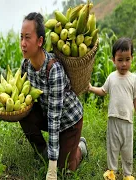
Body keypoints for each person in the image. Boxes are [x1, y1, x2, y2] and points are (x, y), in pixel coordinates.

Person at [19, 12, 88, 179]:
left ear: (40, 41)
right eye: (21, 37)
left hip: (68, 121)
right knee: (24, 113)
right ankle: (43, 153)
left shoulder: (54, 69)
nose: (23, 43)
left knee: (65, 172)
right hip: (46, 112)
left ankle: (81, 148)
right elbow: (22, 98)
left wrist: (52, 168)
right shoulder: (26, 65)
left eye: (28, 38)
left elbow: (54, 118)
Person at [88, 37, 136, 180]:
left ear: (131, 58)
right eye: (120, 60)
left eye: (127, 59)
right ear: (113, 59)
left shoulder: (134, 80)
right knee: (112, 147)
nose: (124, 64)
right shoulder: (112, 77)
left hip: (127, 121)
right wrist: (90, 88)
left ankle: (127, 174)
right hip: (113, 119)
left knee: (127, 149)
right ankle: (111, 171)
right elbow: (103, 91)